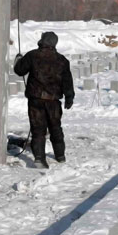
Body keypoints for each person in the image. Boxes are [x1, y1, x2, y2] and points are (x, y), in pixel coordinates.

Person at [13, 31, 74, 169]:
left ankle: (40, 158)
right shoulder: (62, 60)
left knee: (38, 130)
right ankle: (60, 156)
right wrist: (69, 97)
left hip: (36, 100)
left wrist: (18, 60)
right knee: (56, 128)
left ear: (43, 41)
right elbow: (67, 81)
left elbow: (19, 70)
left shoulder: (32, 55)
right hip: (53, 101)